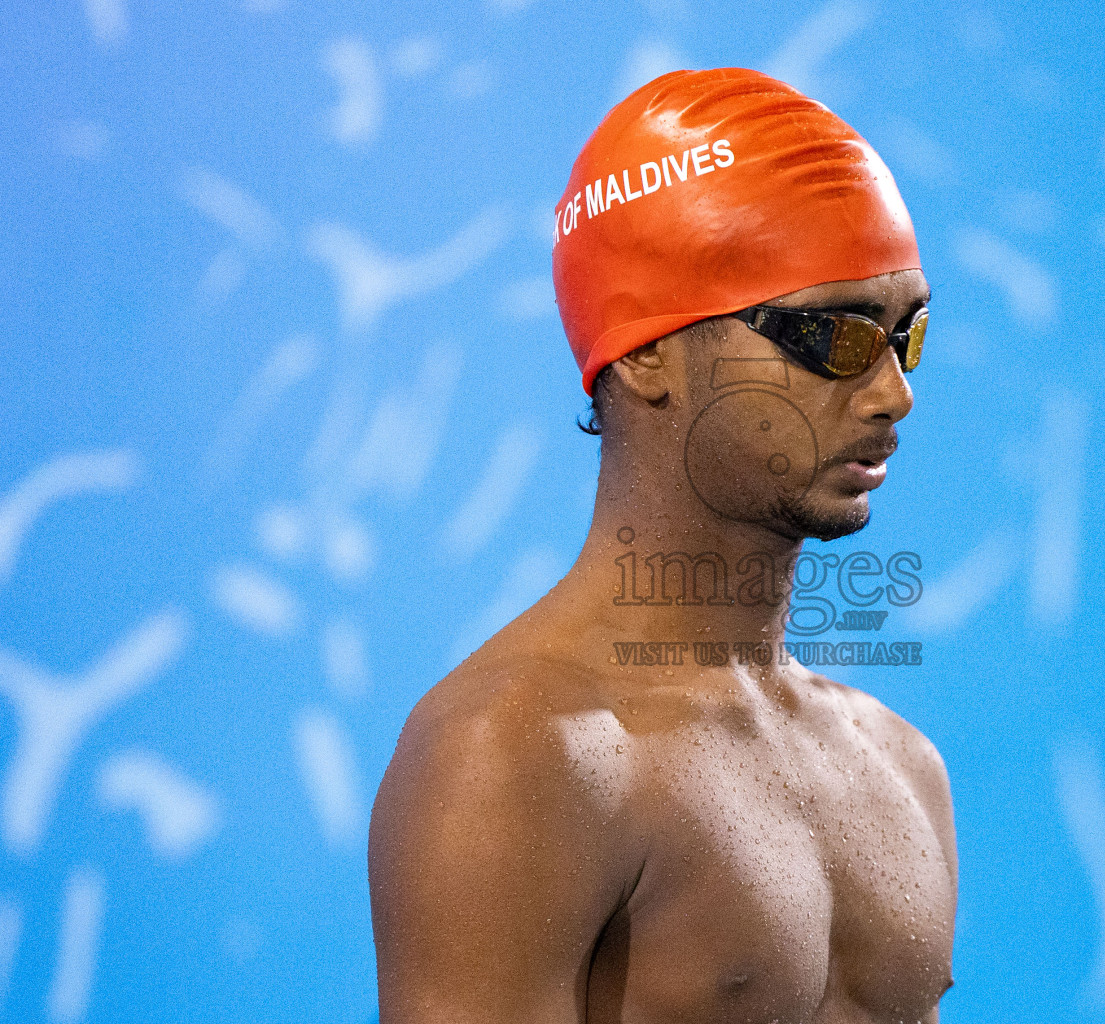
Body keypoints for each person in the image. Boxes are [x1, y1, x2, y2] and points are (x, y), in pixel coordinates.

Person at [369, 67, 957, 1023]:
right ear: (646, 349)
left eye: (906, 333)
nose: (894, 391)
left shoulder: (900, 765)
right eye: (834, 337)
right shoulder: (517, 754)